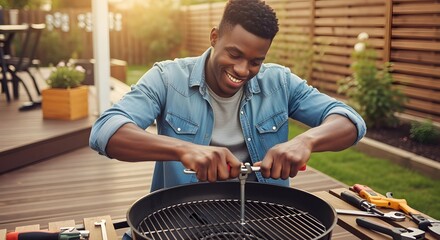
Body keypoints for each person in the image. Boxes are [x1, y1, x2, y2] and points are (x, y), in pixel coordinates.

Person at [90, 0, 366, 193]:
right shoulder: (167, 78)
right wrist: (184, 150)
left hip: (265, 216)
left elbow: (350, 122)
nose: (243, 70)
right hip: (181, 216)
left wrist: (306, 141)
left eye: (256, 61)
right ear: (214, 37)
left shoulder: (279, 82)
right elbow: (105, 132)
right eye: (234, 55)